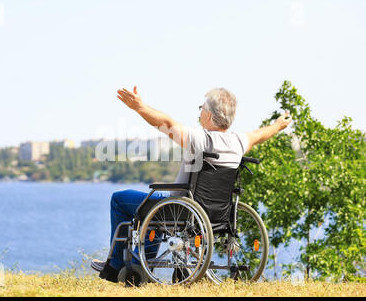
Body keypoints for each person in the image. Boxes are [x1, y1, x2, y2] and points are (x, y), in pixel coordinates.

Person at [91, 86, 292, 282]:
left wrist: (139, 107)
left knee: (119, 199)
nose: (200, 113)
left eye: (201, 109)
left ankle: (116, 265)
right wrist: (278, 126)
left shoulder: (199, 138)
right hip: (217, 214)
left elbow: (165, 122)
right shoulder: (239, 142)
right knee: (155, 209)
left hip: (182, 209)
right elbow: (260, 135)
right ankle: (141, 265)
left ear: (210, 116)